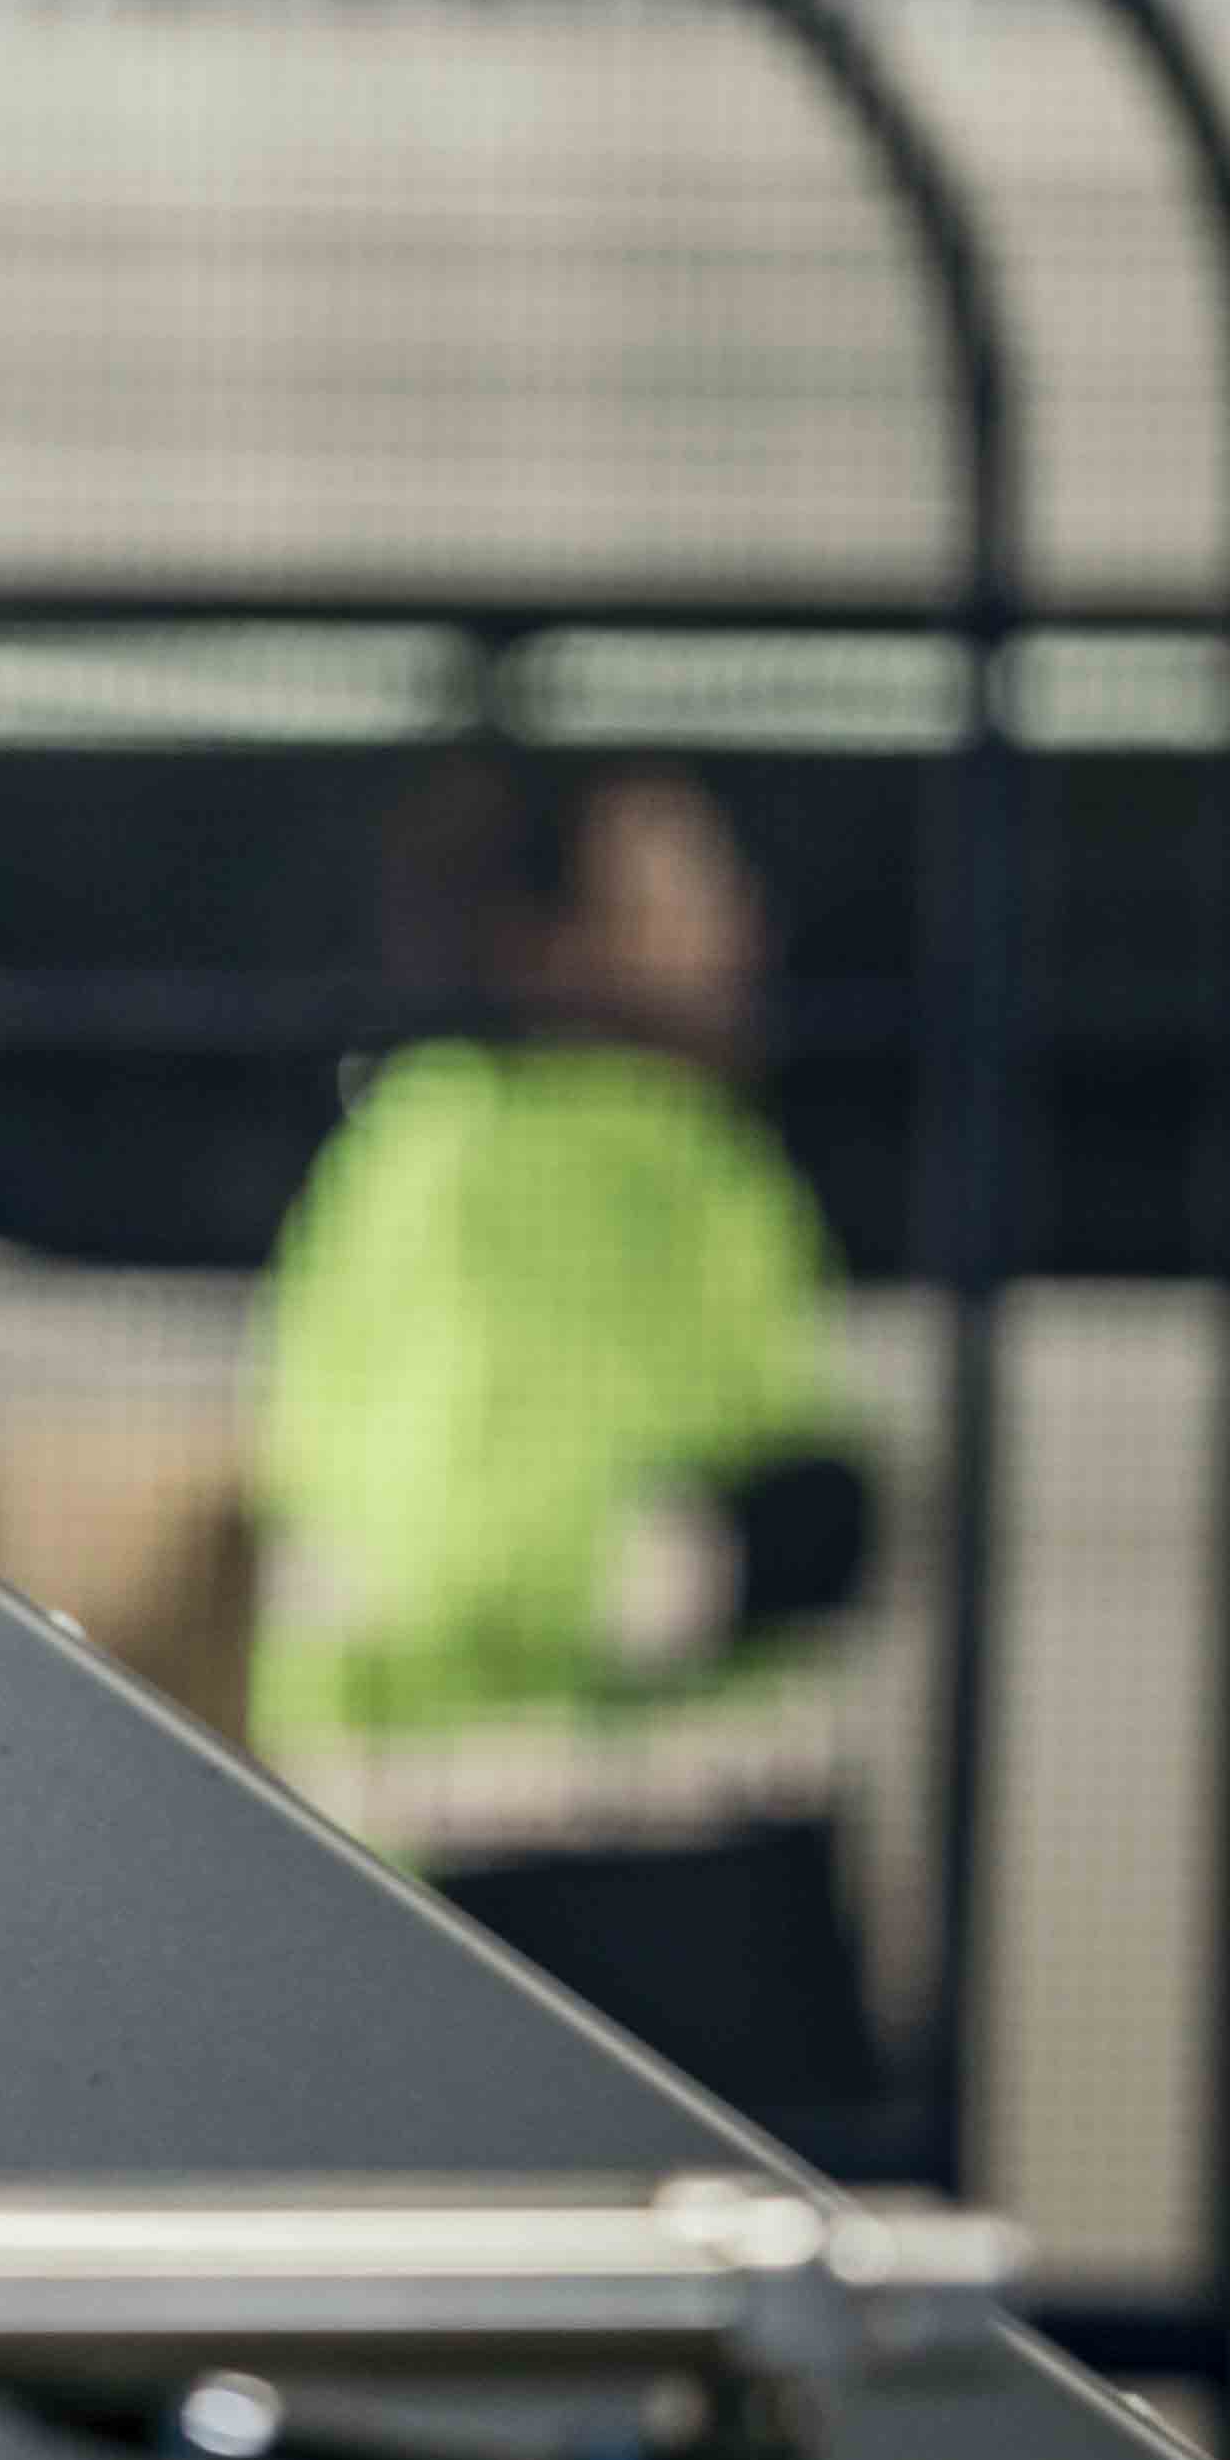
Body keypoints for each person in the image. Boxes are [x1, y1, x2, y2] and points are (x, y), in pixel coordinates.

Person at [253, 745, 889, 2135]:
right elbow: (468, 1534)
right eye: (679, 891)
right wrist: (719, 1560)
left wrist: (792, 1531)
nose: (737, 928)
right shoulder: (465, 1159)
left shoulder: (699, 1153)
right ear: (549, 941)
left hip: (708, 1868)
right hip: (542, 1895)